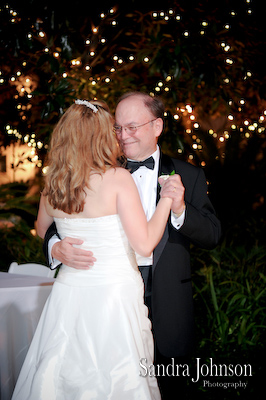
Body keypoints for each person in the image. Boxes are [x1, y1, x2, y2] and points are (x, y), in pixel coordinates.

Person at [44, 92, 221, 399]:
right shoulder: (99, 172)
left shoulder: (188, 175)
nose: (123, 136)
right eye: (117, 128)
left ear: (157, 126)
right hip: (109, 296)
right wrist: (55, 246)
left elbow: (213, 235)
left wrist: (179, 209)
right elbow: (55, 222)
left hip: (167, 297)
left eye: (132, 127)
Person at [12, 99, 174, 400]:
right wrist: (166, 200)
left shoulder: (55, 184)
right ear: (100, 135)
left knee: (61, 370)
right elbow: (144, 243)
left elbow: (40, 226)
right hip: (114, 295)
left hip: (68, 291)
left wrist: (58, 244)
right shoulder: (117, 179)